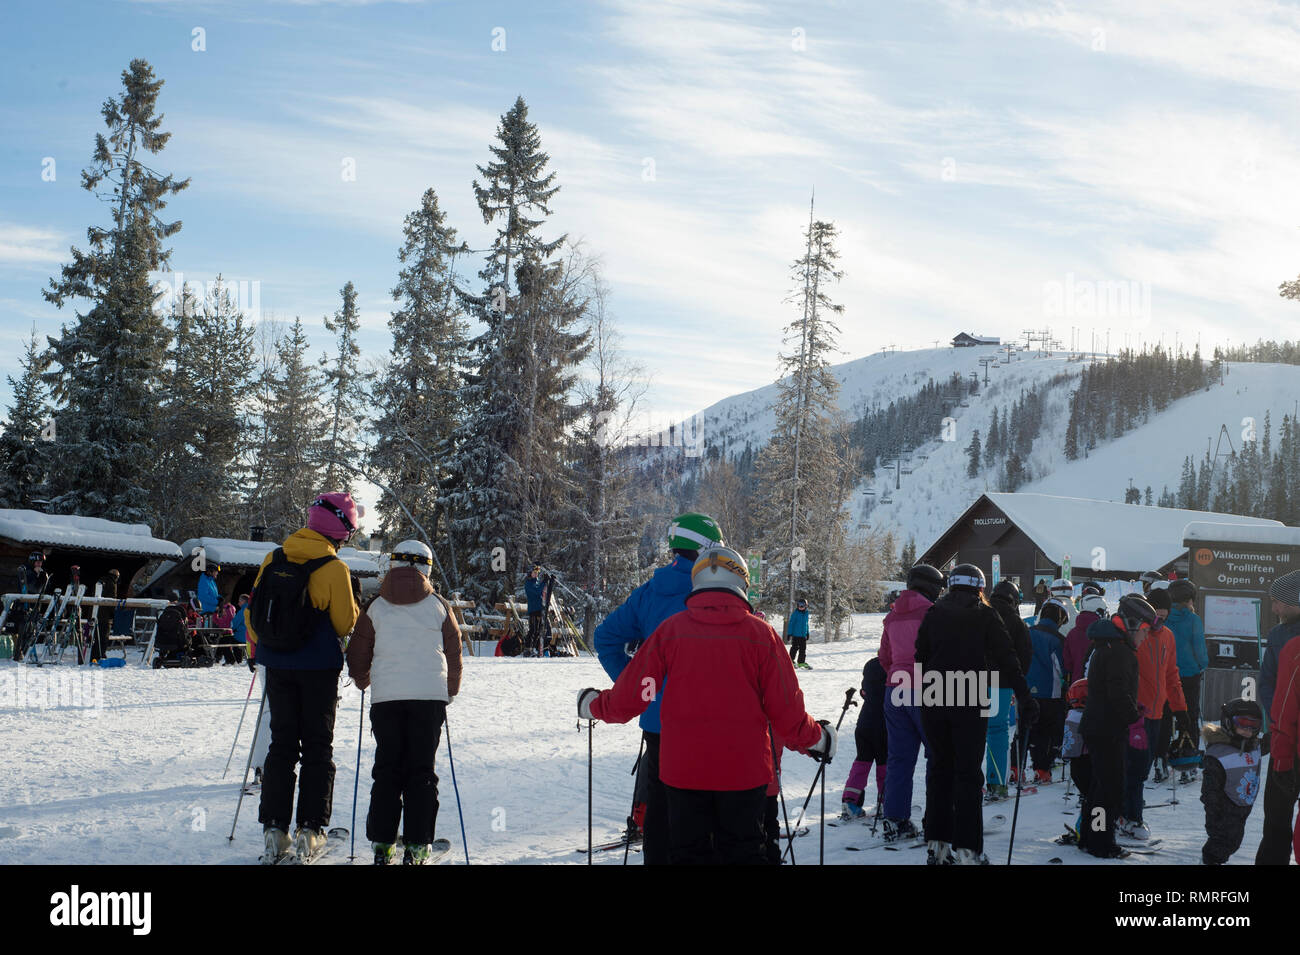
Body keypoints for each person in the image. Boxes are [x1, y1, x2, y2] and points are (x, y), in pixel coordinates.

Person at [578, 546, 831, 865]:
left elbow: (634, 696)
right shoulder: (761, 635)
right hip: (744, 776)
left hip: (683, 775)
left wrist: (593, 706)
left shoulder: (670, 631)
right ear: (741, 583)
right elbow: (787, 715)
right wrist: (820, 739)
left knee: (687, 854)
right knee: (745, 853)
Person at [592, 512, 725, 865]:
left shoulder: (649, 592)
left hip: (658, 723)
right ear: (704, 551)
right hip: (706, 723)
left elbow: (605, 638)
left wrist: (638, 690)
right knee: (701, 813)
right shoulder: (711, 593)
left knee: (661, 808)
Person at [248, 492, 361, 864]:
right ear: (341, 531)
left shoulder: (273, 557)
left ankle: (274, 830)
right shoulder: (333, 569)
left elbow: (253, 615)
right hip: (317, 669)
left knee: (281, 745)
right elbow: (346, 622)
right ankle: (311, 830)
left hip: (277, 665)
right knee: (316, 747)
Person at [346, 540, 462, 865]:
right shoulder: (439, 606)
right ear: (427, 567)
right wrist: (450, 690)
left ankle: (383, 843)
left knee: (387, 770)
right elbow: (454, 653)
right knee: (421, 771)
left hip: (386, 700)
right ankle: (417, 844)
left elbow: (357, 654)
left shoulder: (375, 606)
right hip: (429, 700)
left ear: (393, 565)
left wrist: (365, 680)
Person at [915, 563, 1035, 865]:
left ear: (951, 586)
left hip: (935, 695)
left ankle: (938, 846)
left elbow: (920, 654)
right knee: (968, 774)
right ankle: (968, 849)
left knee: (940, 771)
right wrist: (1023, 695)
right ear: (980, 588)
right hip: (969, 696)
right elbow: (1008, 658)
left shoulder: (934, 613)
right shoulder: (985, 614)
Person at [1078, 594, 1157, 859]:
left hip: (1100, 725)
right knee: (1110, 789)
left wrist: (1133, 711)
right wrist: (1134, 719)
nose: (1145, 638)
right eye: (1145, 632)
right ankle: (1101, 842)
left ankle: (1090, 838)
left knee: (1100, 787)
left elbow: (1115, 691)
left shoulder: (1109, 646)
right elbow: (1117, 693)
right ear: (1133, 625)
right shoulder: (1119, 651)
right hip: (1107, 728)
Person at [879, 563, 944, 841]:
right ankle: (937, 821)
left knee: (899, 758)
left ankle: (895, 819)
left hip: (894, 688)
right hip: (924, 688)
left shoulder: (892, 616)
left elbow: (884, 657)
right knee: (938, 756)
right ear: (931, 587)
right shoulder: (932, 613)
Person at [1124, 587, 1189, 840]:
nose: (1159, 622)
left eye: (1164, 617)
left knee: (1143, 767)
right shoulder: (1137, 635)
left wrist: (1181, 709)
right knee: (1134, 768)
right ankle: (1131, 816)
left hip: (1157, 713)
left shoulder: (1168, 637)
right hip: (1135, 712)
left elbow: (1172, 675)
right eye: (1155, 617)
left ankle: (1129, 814)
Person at [1257, 569, 1300, 865]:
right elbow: (1268, 684)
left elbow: (1271, 686)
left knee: (1277, 815)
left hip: (1286, 741)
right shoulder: (1278, 633)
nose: (1273, 608)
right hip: (1284, 734)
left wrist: (1279, 724)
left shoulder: (1285, 639)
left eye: (1277, 602)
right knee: (1277, 816)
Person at [1200, 699, 1264, 865]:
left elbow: (1272, 741)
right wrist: (1214, 816)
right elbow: (1210, 789)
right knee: (1220, 843)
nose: (1247, 729)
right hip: (1223, 809)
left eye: (1253, 725)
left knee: (1234, 842)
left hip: (1242, 807)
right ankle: (1209, 861)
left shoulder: (1254, 746)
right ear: (1228, 722)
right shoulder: (1218, 754)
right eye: (1242, 723)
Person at [987, 579, 1032, 798]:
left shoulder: (978, 614)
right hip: (1000, 684)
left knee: (972, 733)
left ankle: (968, 781)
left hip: (969, 682)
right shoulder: (1015, 622)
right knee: (996, 732)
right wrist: (1018, 685)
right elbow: (1024, 657)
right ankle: (996, 784)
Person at [1025, 601, 1068, 785]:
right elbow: (1061, 667)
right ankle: (1042, 769)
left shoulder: (1028, 632)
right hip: (1050, 692)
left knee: (1025, 730)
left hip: (1026, 690)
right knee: (1046, 732)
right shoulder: (1057, 639)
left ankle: (1015, 768)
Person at [840, 655, 888, 819]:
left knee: (862, 761)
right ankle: (886, 802)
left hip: (864, 724)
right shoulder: (892, 666)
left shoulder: (871, 665)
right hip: (883, 724)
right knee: (885, 764)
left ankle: (850, 802)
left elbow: (865, 691)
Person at [1166, 578, 1207, 748]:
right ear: (1190, 599)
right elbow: (1200, 649)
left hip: (1167, 675)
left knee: (1166, 714)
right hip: (1190, 674)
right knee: (1190, 714)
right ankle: (1189, 753)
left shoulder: (1164, 619)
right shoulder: (1193, 619)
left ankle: (1163, 753)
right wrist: (1201, 665)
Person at [524, 566, 544, 656]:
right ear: (530, 573)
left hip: (539, 609)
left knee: (538, 630)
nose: (536, 574)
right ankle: (528, 648)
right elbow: (537, 591)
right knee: (533, 629)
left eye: (537, 573)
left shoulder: (536, 582)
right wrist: (544, 583)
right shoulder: (528, 583)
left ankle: (535, 648)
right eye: (534, 572)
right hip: (533, 609)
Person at [785, 598, 811, 669]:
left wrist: (807, 633)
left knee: (803, 649)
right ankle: (791, 661)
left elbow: (806, 624)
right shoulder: (795, 613)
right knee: (794, 648)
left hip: (803, 636)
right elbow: (791, 624)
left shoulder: (806, 614)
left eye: (802, 605)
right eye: (799, 605)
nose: (801, 607)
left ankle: (801, 662)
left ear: (806, 606)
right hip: (796, 635)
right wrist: (789, 633)